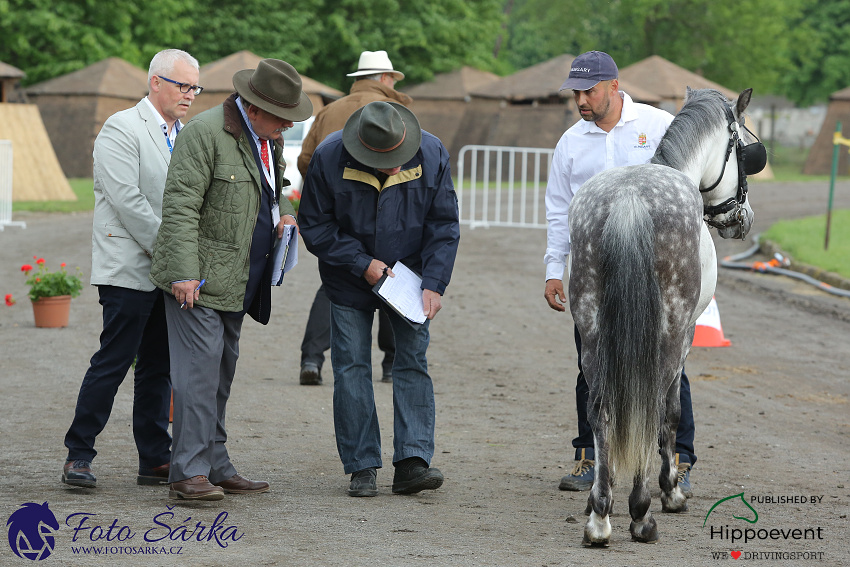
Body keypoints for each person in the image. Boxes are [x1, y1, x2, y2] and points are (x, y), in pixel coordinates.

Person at [148, 59, 312, 500]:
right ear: (254, 108)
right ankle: (187, 474)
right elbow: (180, 205)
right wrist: (184, 272)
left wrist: (285, 215)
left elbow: (274, 190)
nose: (286, 127)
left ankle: (215, 465)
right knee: (197, 376)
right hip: (197, 281)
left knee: (220, 373)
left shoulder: (265, 139)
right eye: (282, 118)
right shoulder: (203, 134)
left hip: (239, 280)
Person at [543, 51, 697, 496]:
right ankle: (589, 455)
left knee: (670, 364)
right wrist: (555, 269)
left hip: (657, 271)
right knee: (590, 364)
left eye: (588, 91)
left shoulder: (661, 125)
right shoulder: (571, 142)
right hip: (596, 272)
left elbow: (688, 195)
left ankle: (679, 457)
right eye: (575, 92)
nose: (581, 100)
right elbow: (559, 211)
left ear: (614, 85)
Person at [299, 101, 459, 498]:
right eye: (385, 161)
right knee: (351, 366)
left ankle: (412, 462)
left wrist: (434, 283)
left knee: (412, 362)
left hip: (410, 279)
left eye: (400, 158)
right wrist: (359, 262)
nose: (395, 167)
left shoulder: (434, 152)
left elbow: (443, 223)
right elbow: (315, 224)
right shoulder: (329, 156)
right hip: (348, 279)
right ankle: (362, 466)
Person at [62, 49, 202, 489]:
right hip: (128, 269)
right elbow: (129, 205)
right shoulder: (120, 128)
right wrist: (178, 258)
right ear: (155, 82)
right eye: (183, 85)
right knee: (114, 361)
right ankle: (78, 454)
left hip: (168, 272)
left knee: (159, 367)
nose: (190, 95)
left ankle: (154, 458)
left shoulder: (186, 135)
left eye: (195, 87)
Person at [296, 50, 412, 386]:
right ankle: (391, 362)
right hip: (385, 211)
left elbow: (306, 158)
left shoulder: (330, 110)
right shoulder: (395, 112)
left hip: (337, 215)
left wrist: (328, 189)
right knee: (392, 278)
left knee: (333, 283)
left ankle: (312, 358)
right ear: (386, 79)